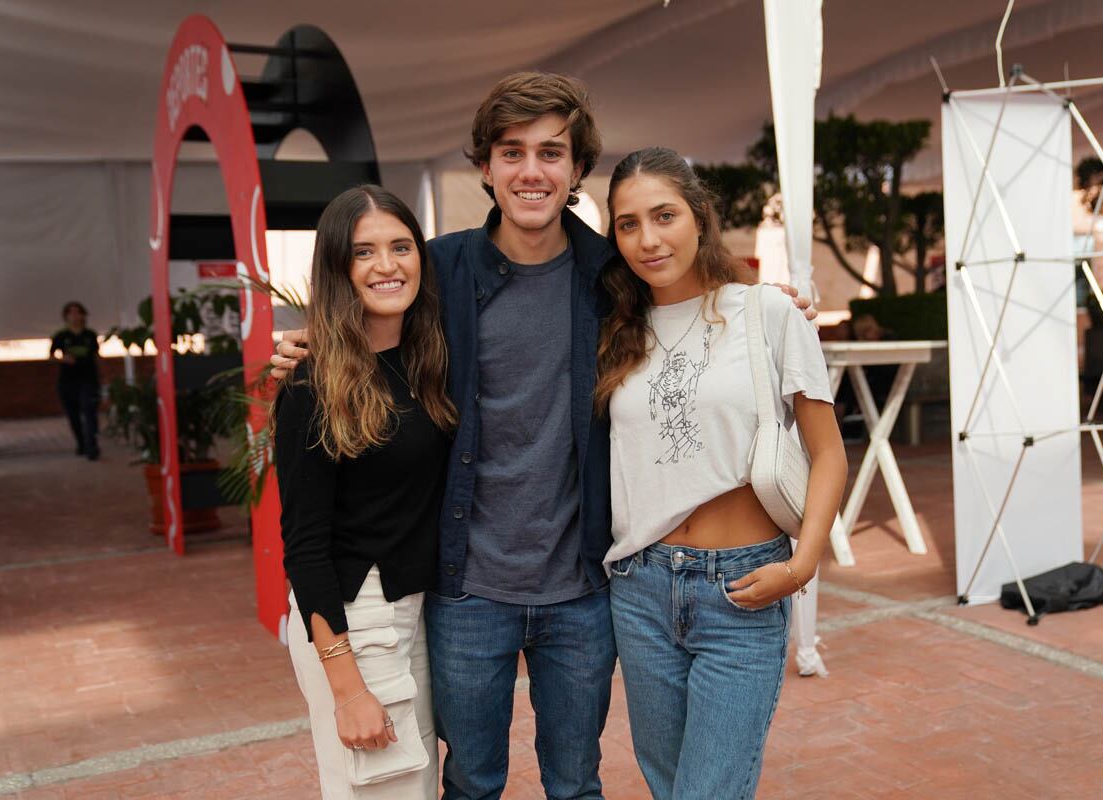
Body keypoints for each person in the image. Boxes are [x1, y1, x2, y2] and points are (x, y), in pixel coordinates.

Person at [271, 72, 816, 800]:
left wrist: (770, 304)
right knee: (472, 783)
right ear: (486, 167)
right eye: (512, 152)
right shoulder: (439, 269)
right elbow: (371, 302)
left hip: (583, 589)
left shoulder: (615, 274)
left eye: (551, 152)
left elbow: (693, 295)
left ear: (577, 167)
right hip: (466, 589)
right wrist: (307, 345)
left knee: (575, 783)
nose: (531, 171)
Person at [596, 147, 848, 799]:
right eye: (628, 224)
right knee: (670, 786)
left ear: (700, 217)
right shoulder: (614, 330)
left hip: (742, 587)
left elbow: (829, 453)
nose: (649, 239)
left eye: (665, 215)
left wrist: (803, 564)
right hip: (640, 589)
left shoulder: (769, 312)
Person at [272, 185, 455, 799]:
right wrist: (347, 689)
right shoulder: (311, 385)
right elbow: (304, 546)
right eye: (363, 252)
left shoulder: (427, 360)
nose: (386, 265)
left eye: (401, 247)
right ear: (337, 268)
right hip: (360, 617)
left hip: (415, 608)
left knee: (413, 787)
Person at [50, 301, 101, 460]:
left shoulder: (90, 335)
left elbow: (96, 355)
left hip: (88, 379)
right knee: (73, 415)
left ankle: (92, 445)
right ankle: (81, 443)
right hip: (67, 381)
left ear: (83, 315)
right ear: (66, 317)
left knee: (89, 411)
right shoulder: (61, 336)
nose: (74, 316)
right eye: (71, 313)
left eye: (78, 312)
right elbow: (51, 355)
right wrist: (63, 359)